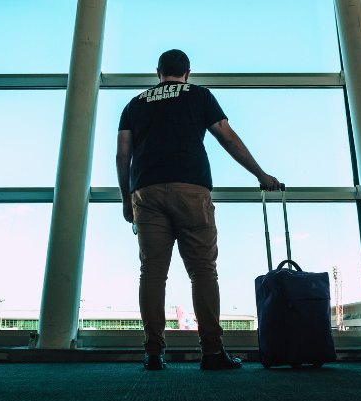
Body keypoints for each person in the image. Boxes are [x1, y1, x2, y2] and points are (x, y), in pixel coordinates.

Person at [116, 49, 280, 370]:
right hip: (191, 188)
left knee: (152, 273)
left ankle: (152, 352)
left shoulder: (135, 104)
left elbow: (123, 155)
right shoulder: (199, 95)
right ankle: (212, 351)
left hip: (146, 192)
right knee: (203, 270)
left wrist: (126, 199)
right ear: (187, 72)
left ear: (158, 72)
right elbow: (227, 137)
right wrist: (260, 174)